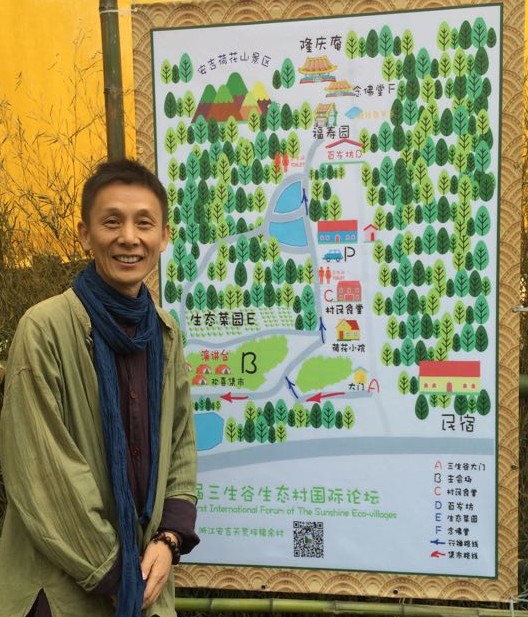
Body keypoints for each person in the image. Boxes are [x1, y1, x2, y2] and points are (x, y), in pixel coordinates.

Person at [0, 159, 200, 617]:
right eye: (112, 222)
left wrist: (169, 539)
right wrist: (117, 575)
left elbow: (181, 446)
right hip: (61, 590)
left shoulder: (165, 334)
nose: (129, 237)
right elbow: (44, 474)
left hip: (144, 581)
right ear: (85, 235)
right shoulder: (44, 328)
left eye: (143, 223)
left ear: (163, 236)